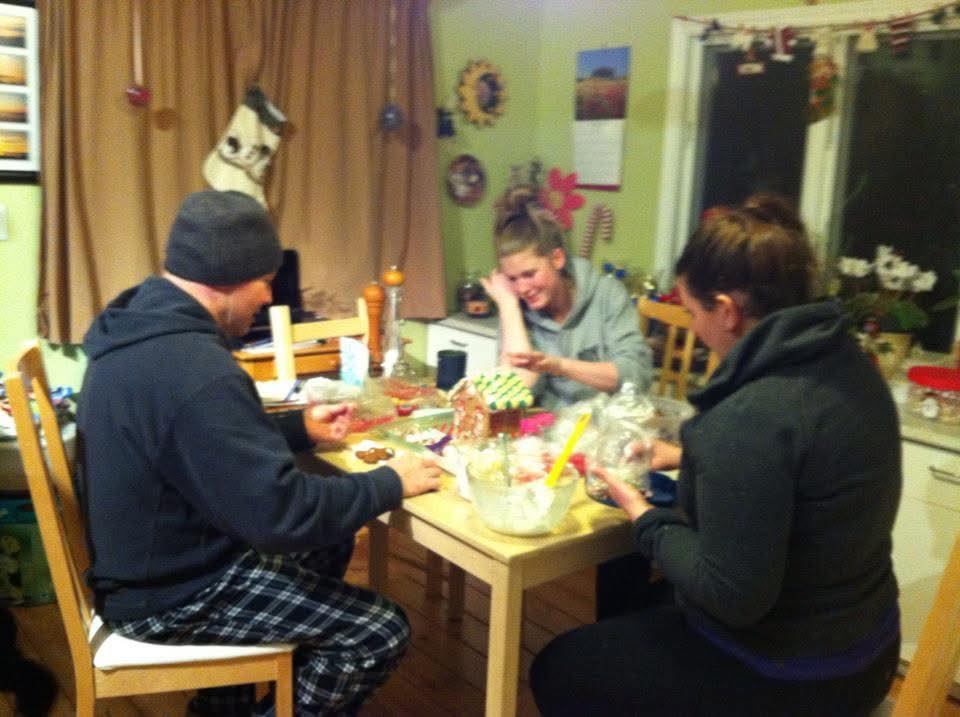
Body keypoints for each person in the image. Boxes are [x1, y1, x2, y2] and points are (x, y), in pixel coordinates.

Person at [529, 195, 902, 716]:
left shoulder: (749, 416)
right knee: (626, 582)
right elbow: (791, 469)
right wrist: (679, 453)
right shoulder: (848, 367)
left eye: (692, 310)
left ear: (726, 311)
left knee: (557, 667)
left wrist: (644, 516)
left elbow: (732, 594)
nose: (693, 325)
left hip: (799, 679)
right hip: (867, 646)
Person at [77, 189, 442, 717]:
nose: (268, 299)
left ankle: (225, 706)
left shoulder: (142, 325)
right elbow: (280, 515)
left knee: (332, 537)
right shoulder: (194, 368)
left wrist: (299, 428)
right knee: (377, 632)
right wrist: (391, 482)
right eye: (265, 281)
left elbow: (196, 443)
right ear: (227, 275)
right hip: (171, 595)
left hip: (154, 560)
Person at [480, 186, 652, 410]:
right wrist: (508, 307)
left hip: (606, 427)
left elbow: (636, 376)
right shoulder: (516, 306)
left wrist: (560, 366)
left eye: (530, 274)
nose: (522, 288)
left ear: (557, 259)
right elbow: (514, 394)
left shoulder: (607, 294)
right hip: (549, 431)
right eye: (512, 279)